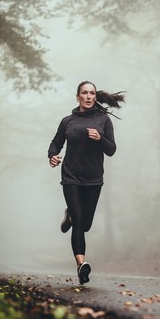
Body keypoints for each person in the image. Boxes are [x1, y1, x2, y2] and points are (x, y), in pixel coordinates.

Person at [48, 81, 124, 285]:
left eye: (92, 93)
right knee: (80, 223)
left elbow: (111, 149)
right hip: (71, 177)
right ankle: (81, 265)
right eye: (84, 93)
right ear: (77, 96)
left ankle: (70, 215)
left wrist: (100, 138)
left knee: (86, 223)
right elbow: (56, 143)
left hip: (93, 178)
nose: (88, 96)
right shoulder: (68, 121)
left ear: (95, 97)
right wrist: (53, 156)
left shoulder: (103, 120)